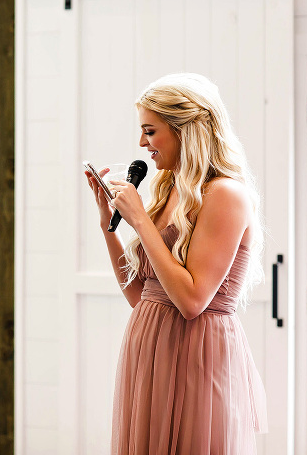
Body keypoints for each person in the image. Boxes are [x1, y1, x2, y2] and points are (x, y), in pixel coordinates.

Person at [86, 73, 267, 454]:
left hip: (196, 356)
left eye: (150, 131)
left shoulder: (225, 195)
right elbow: (141, 296)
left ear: (186, 129)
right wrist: (108, 226)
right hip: (150, 353)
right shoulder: (170, 191)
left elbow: (191, 301)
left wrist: (140, 220)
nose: (142, 143)